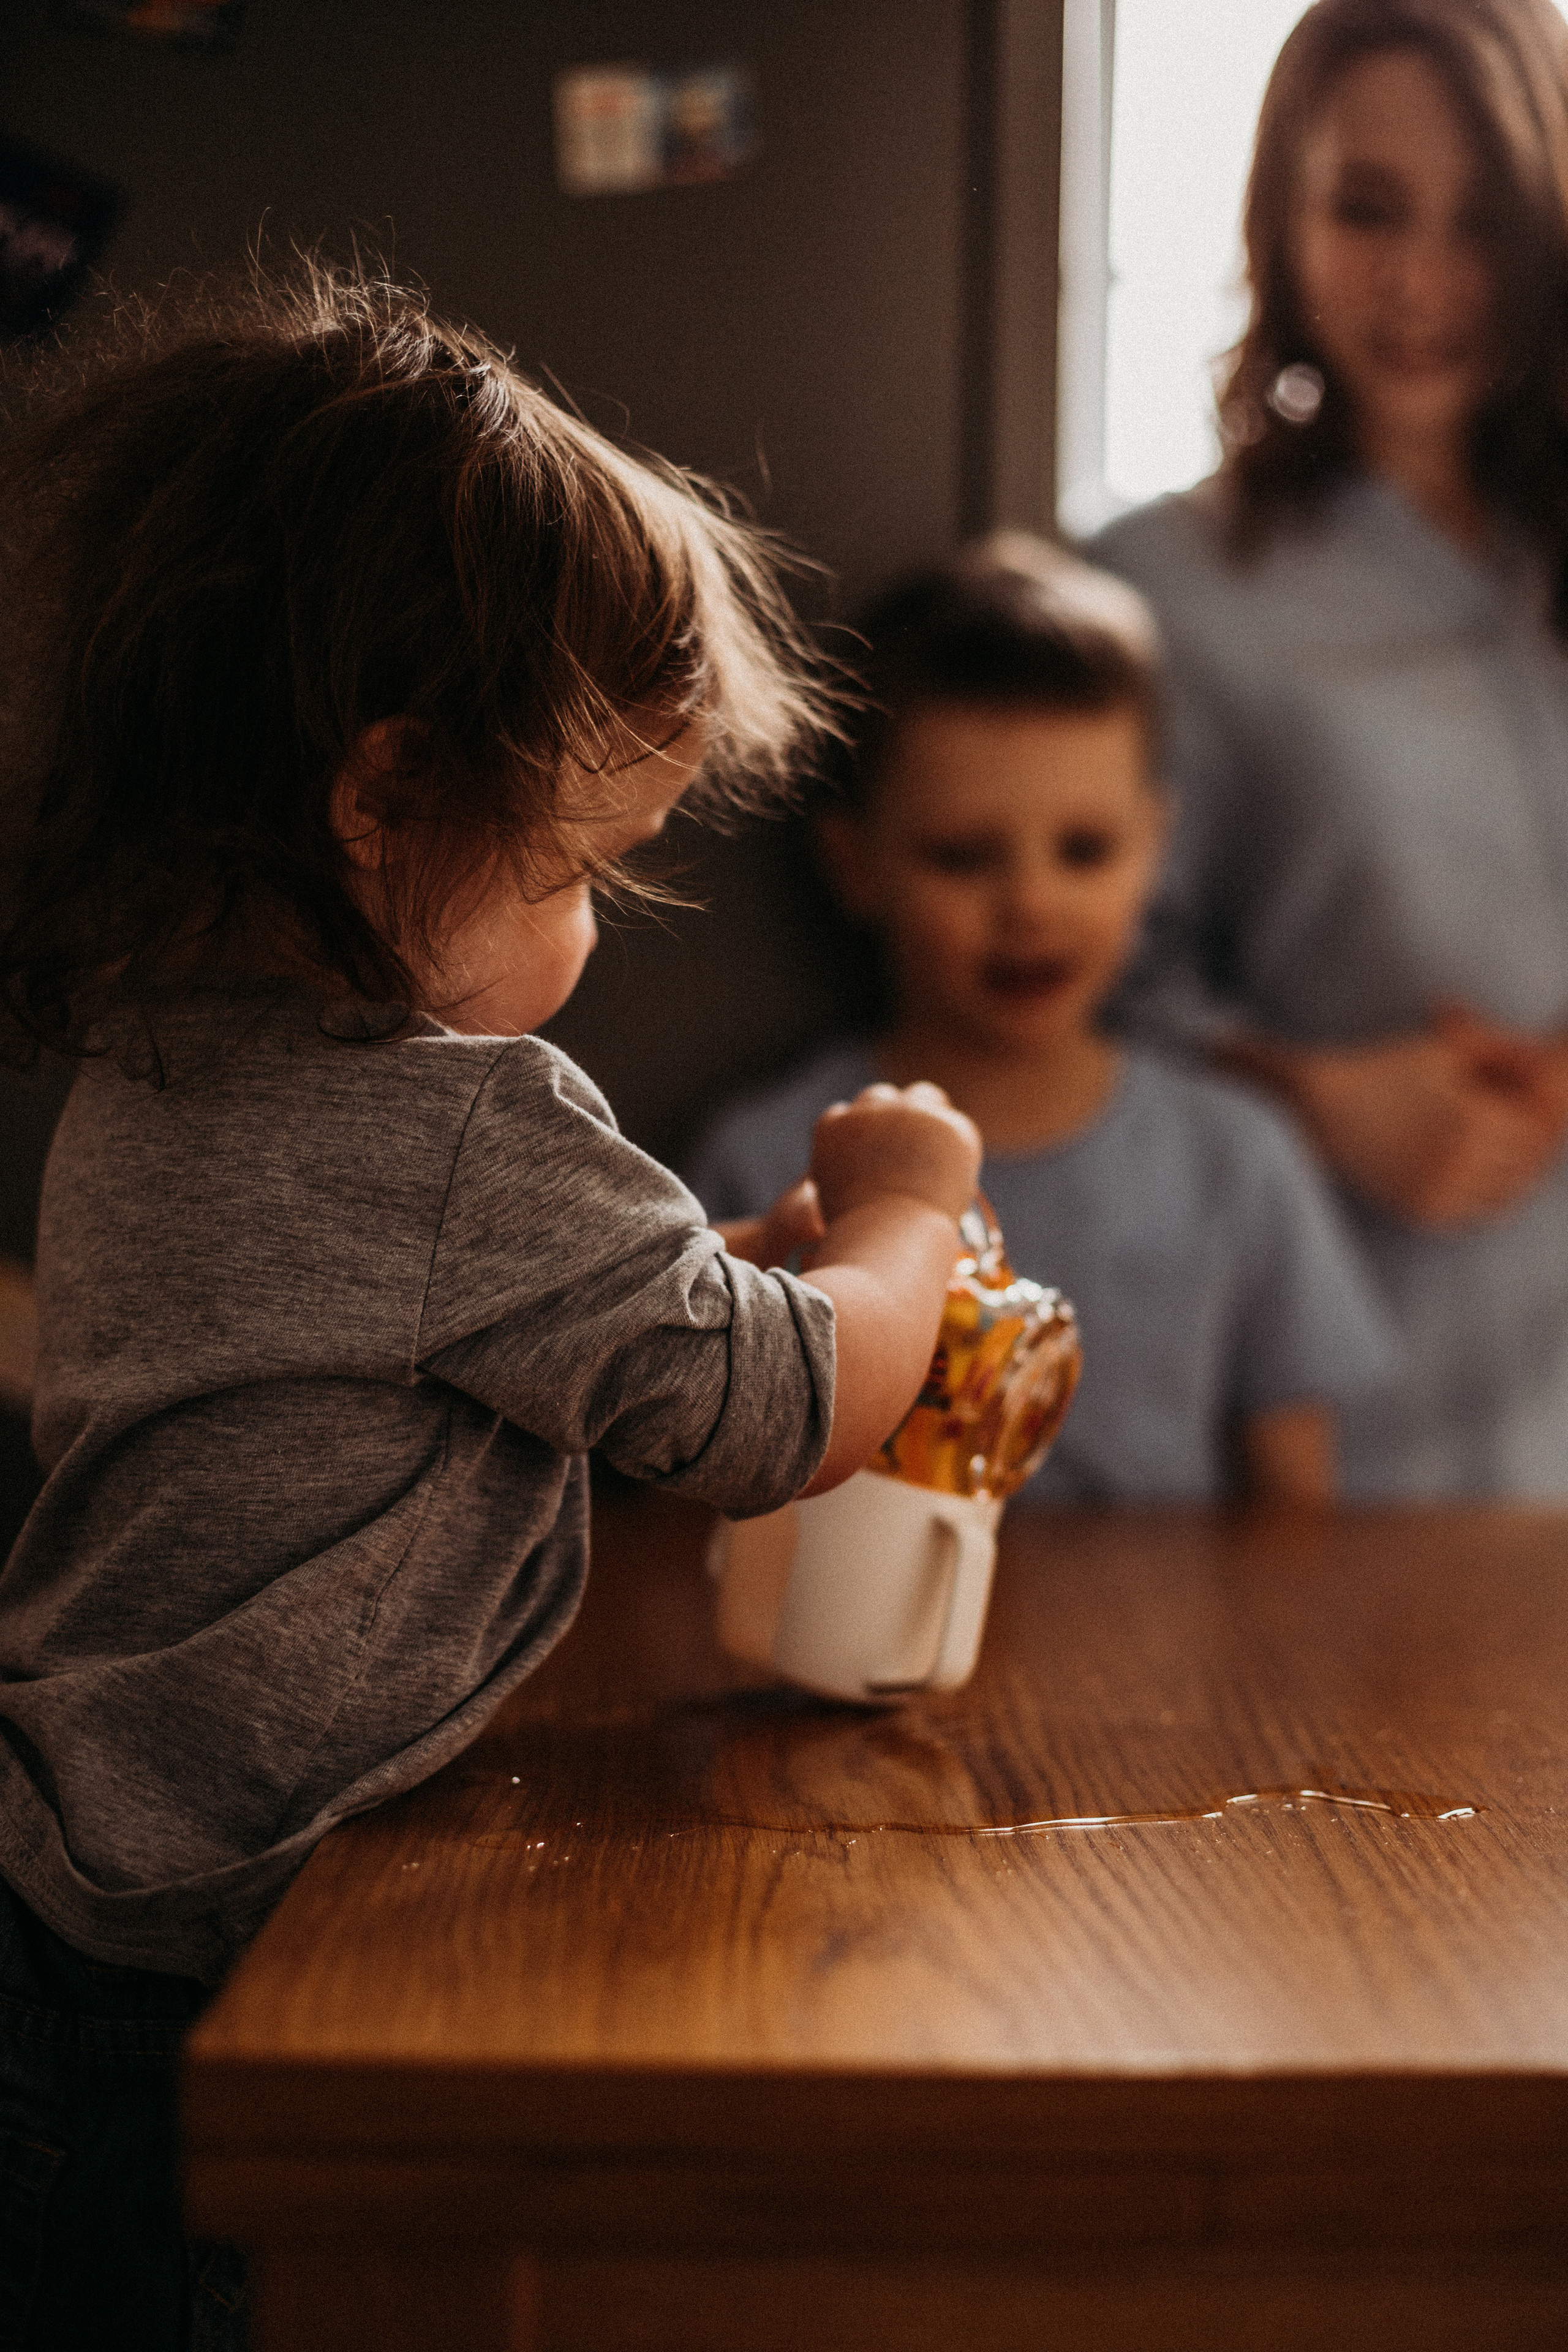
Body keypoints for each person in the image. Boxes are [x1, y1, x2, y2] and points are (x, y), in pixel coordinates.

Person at [0, 265, 982, 2351]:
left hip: (73, 1883)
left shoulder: (142, 1074)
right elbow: (777, 1419)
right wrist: (905, 1220)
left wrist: (725, 1272)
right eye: (568, 869)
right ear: (381, 804)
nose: (593, 929)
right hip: (254, 1935)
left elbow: (475, 1341)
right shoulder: (455, 1124)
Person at [1091, 0, 1568, 1495]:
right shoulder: (1161, 589)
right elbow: (1076, 987)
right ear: (1276, 217)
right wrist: (1314, 1092)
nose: (1422, 282)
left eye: (1477, 223)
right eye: (1365, 210)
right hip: (1357, 1410)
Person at [684, 540, 1393, 1505]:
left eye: (1086, 850)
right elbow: (690, 1506)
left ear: (1154, 848)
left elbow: (1298, 1519)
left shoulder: (1239, 1160)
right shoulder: (767, 1166)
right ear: (857, 865)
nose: (1032, 904)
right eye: (966, 856)